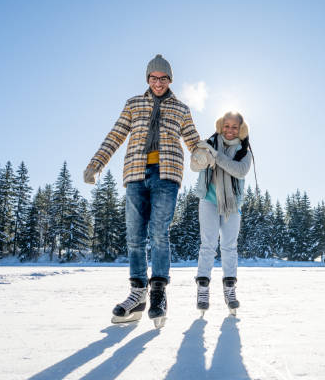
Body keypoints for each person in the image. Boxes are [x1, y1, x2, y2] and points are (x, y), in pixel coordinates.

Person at [84, 54, 201, 328]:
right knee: (134, 236)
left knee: (159, 232)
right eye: (153, 78)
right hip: (135, 175)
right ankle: (137, 294)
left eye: (163, 78)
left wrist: (203, 153)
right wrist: (96, 164)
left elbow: (194, 140)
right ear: (147, 79)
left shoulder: (181, 109)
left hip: (167, 175)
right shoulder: (133, 104)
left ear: (170, 80)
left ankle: (158, 292)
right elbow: (115, 135)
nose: (158, 83)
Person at [190, 111, 254, 316]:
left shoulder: (244, 150)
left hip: (232, 204)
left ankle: (230, 289)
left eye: (234, 127)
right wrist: (202, 155)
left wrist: (216, 156)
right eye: (226, 126)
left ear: (240, 129)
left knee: (229, 246)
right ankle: (203, 288)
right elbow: (194, 165)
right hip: (208, 200)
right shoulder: (209, 142)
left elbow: (239, 170)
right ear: (221, 125)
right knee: (208, 244)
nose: (230, 130)